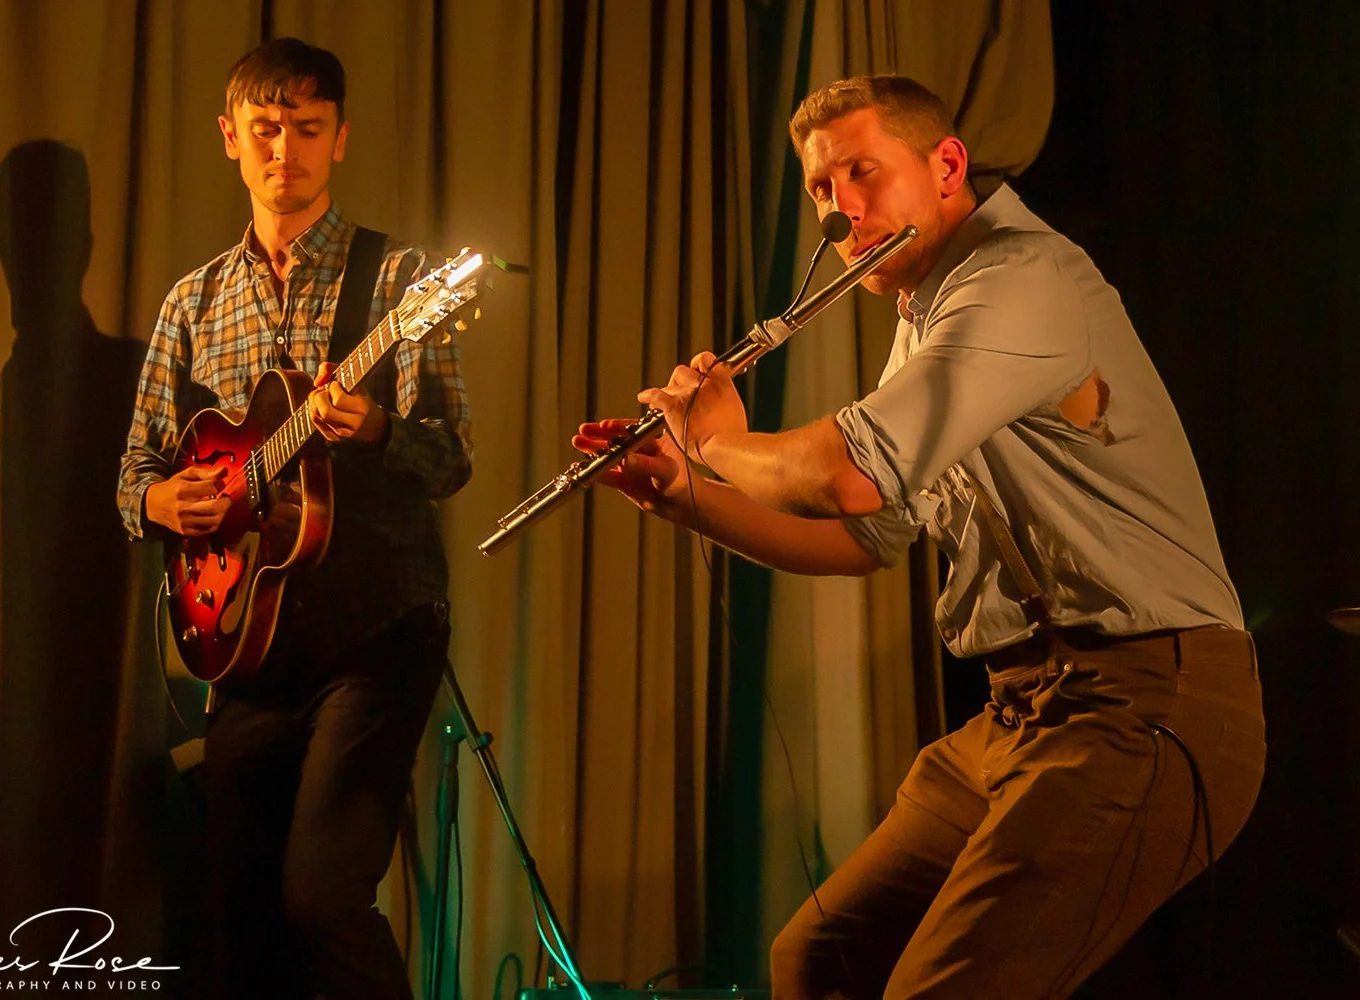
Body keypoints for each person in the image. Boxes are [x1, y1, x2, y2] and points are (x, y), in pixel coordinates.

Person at [575, 75, 1264, 999]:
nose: (839, 212)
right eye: (821, 189)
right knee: (821, 958)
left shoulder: (1019, 276)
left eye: (862, 173)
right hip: (1025, 707)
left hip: (1143, 700)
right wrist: (686, 495)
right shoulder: (927, 313)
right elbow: (869, 535)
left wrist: (716, 440)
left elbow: (846, 474)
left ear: (946, 166)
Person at [117, 37, 472, 1000]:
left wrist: (381, 428)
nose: (287, 150)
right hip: (246, 644)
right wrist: (163, 500)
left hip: (377, 630)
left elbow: (453, 458)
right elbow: (135, 471)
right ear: (231, 138)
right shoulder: (193, 301)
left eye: (308, 130)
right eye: (267, 130)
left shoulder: (399, 281)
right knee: (241, 924)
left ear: (341, 140)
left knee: (321, 895)